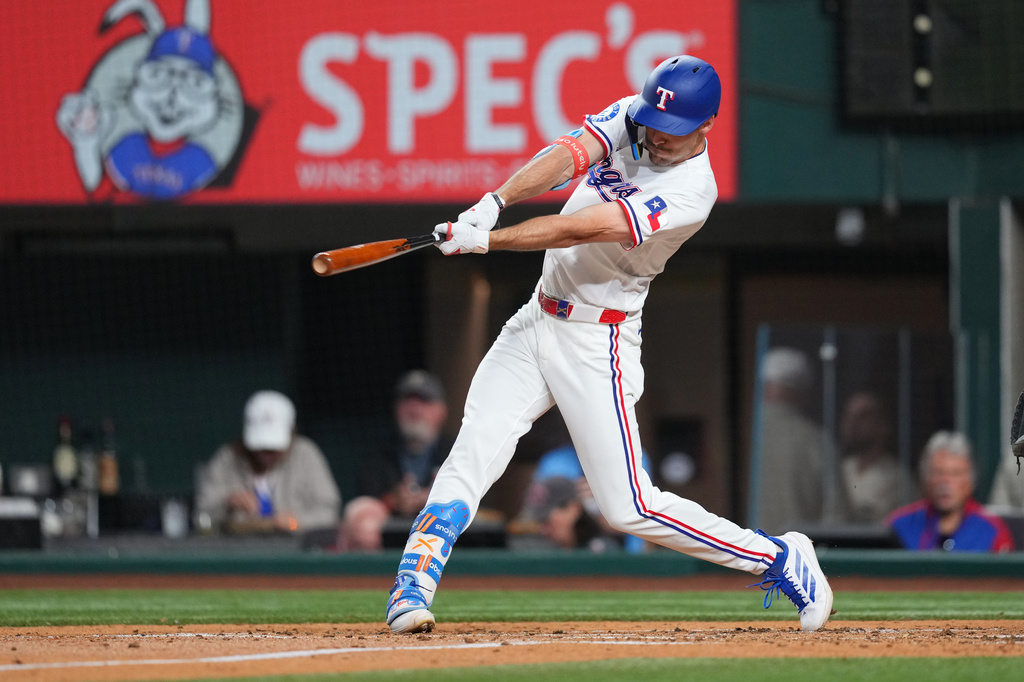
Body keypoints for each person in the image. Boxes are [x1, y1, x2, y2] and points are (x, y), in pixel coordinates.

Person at [384, 55, 833, 635]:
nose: (655, 137)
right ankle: (414, 581)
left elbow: (583, 225)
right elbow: (567, 156)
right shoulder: (639, 115)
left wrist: (488, 242)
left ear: (705, 127)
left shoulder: (691, 191)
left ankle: (778, 557)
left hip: (600, 339)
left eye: (673, 132)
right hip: (536, 318)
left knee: (630, 508)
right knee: (475, 447)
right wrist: (492, 203)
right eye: (651, 122)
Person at [195, 390, 341, 534]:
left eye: (273, 447)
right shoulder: (227, 458)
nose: (265, 453)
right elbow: (201, 514)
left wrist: (296, 522)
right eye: (259, 445)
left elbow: (329, 511)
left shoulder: (306, 454)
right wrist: (227, 503)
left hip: (294, 549)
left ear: (291, 433)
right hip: (238, 549)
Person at [340, 370, 454, 551]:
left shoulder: (457, 452)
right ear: (396, 409)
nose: (414, 409)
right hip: (386, 548)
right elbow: (363, 501)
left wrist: (435, 499)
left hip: (444, 548)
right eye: (407, 401)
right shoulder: (378, 453)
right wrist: (392, 501)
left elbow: (481, 507)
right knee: (363, 520)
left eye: (424, 401)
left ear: (441, 411)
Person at [887, 431, 1014, 552]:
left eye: (955, 473)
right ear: (925, 479)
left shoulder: (992, 530)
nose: (946, 482)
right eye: (938, 473)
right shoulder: (899, 525)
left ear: (970, 482)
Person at [516, 442, 651, 553]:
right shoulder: (554, 461)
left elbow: (645, 525)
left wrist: (602, 505)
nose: (543, 528)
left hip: (622, 550)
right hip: (572, 544)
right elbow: (531, 516)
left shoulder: (630, 456)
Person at [754, 347, 835, 532]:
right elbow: (838, 517)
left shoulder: (744, 434)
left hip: (734, 557)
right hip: (794, 556)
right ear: (802, 391)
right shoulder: (816, 440)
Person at [838, 391, 902, 524]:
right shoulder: (840, 469)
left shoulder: (898, 479)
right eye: (849, 416)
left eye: (862, 417)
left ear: (884, 426)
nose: (852, 424)